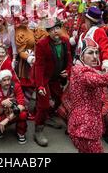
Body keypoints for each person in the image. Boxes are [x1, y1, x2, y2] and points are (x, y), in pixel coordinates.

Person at [67, 37, 108, 153]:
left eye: (96, 52)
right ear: (81, 56)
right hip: (85, 128)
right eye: (90, 52)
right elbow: (99, 79)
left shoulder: (82, 70)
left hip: (83, 127)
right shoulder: (82, 73)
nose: (95, 56)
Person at [33, 18, 71, 147]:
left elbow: (69, 60)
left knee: (60, 99)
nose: (55, 31)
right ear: (48, 31)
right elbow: (39, 66)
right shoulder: (41, 44)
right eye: (52, 29)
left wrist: (68, 71)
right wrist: (40, 86)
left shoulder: (65, 41)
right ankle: (38, 130)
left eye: (57, 28)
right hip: (44, 78)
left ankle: (47, 116)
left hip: (56, 78)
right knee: (43, 104)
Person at [0, 70, 27, 144]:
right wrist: (2, 105)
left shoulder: (16, 86)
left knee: (23, 114)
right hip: (2, 114)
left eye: (8, 79)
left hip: (14, 114)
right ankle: (0, 130)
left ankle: (20, 132)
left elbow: (22, 106)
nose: (7, 82)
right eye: (4, 80)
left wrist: (7, 119)